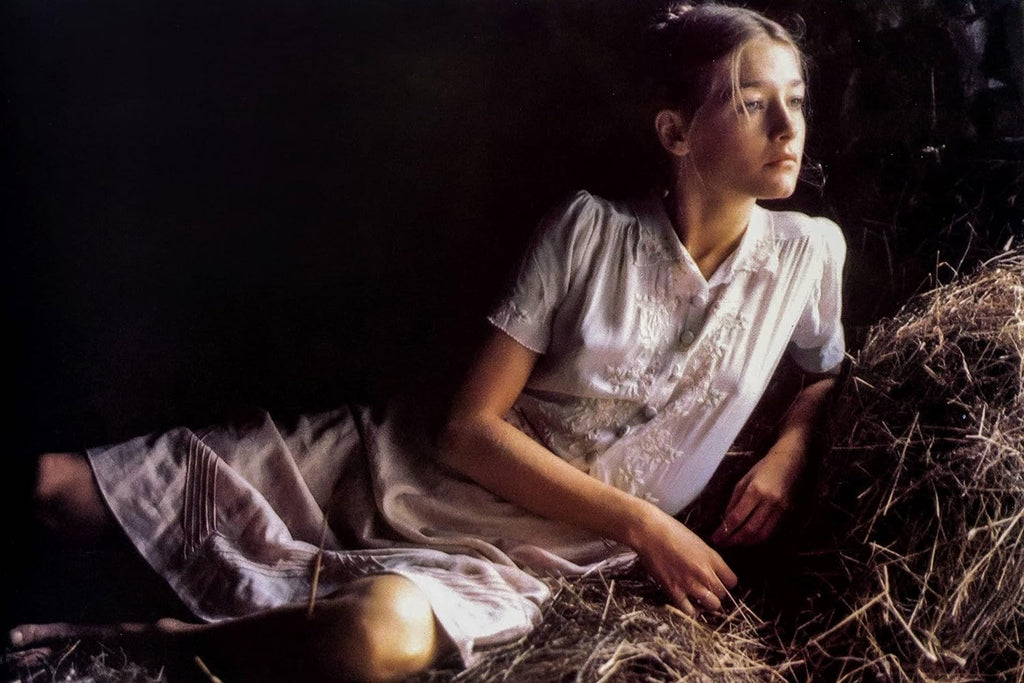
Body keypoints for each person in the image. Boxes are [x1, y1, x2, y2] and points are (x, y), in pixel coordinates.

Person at [6, 3, 846, 681]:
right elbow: (466, 430)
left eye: (796, 100)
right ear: (676, 132)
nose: (788, 127)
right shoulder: (587, 231)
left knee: (376, 639)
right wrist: (646, 525)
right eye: (753, 102)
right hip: (392, 468)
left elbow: (825, 369)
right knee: (57, 487)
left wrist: (791, 447)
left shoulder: (810, 255)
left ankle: (157, 641)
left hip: (520, 561)